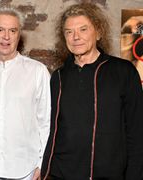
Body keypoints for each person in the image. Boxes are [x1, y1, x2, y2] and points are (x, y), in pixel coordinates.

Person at [41, 3, 143, 180]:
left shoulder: (123, 72)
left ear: (98, 32)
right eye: (69, 32)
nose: (76, 37)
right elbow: (52, 130)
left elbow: (137, 131)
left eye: (83, 29)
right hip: (61, 174)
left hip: (110, 175)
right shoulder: (57, 77)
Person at [0, 6, 51, 180]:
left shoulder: (38, 71)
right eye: (0, 30)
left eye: (12, 30)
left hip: (26, 170)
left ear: (19, 35)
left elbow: (45, 123)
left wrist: (41, 164)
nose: (6, 37)